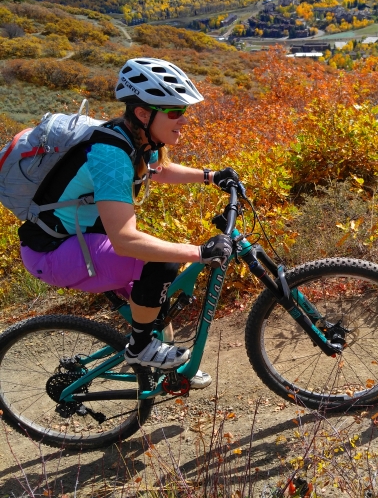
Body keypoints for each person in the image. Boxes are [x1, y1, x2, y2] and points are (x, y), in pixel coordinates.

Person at [19, 57, 237, 390]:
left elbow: (157, 169)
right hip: (52, 252)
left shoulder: (132, 138)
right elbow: (123, 240)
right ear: (143, 113)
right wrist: (198, 251)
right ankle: (140, 348)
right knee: (161, 260)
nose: (183, 121)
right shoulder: (111, 155)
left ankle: (170, 368)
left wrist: (211, 176)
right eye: (175, 112)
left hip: (84, 242)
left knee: (157, 296)